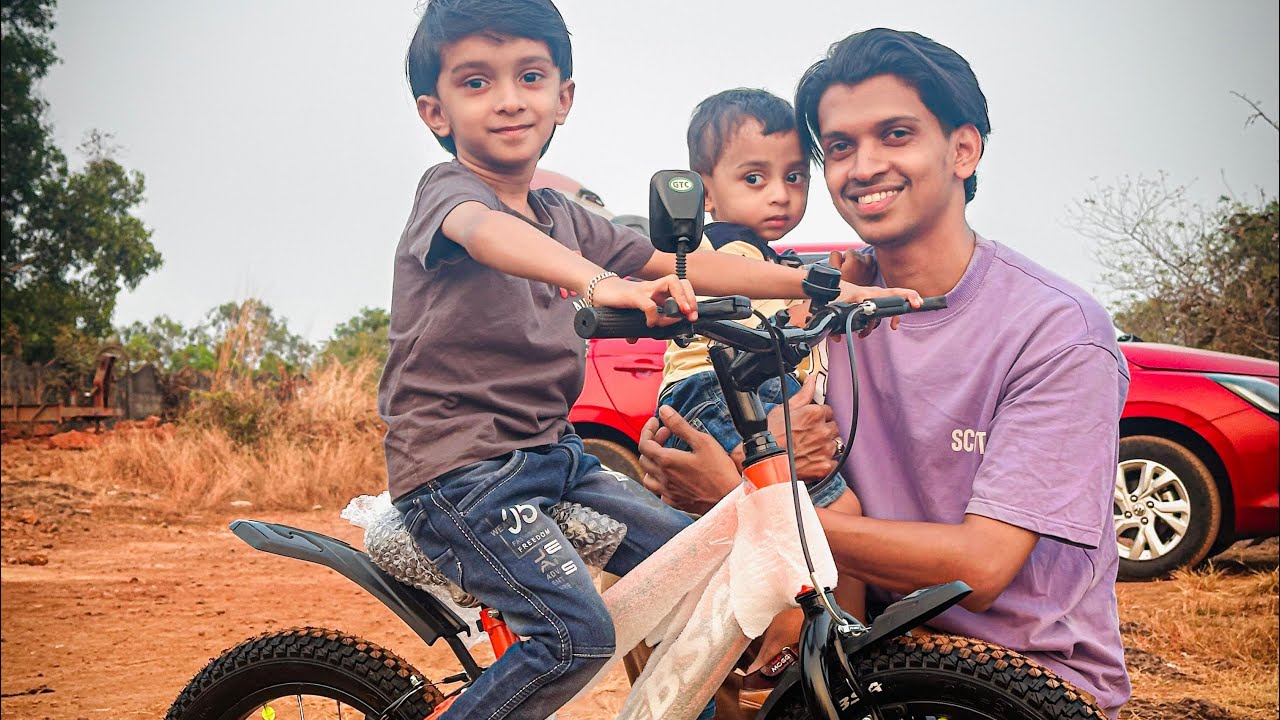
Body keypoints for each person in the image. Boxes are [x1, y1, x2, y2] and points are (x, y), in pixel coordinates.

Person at [379, 3, 921, 717]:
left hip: (554, 455)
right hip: (460, 472)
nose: (509, 99)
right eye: (476, 82)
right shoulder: (450, 194)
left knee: (702, 572)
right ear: (435, 112)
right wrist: (602, 283)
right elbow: (486, 234)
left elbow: (685, 262)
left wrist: (822, 283)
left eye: (530, 76)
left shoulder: (565, 216)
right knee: (574, 638)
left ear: (562, 97)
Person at [639, 28, 1131, 718]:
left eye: (895, 135)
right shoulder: (818, 308)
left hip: (1014, 683)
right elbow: (704, 407)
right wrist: (678, 463)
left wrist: (756, 514)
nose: (863, 166)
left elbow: (982, 568)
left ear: (963, 148)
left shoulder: (1055, 329)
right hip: (854, 662)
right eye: (839, 146)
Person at [645, 87, 865, 715]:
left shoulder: (763, 255)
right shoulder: (726, 252)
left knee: (792, 518)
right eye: (755, 177)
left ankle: (787, 643)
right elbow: (755, 320)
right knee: (830, 511)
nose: (780, 194)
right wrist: (817, 301)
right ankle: (792, 644)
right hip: (717, 391)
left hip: (730, 386)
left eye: (794, 177)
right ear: (705, 193)